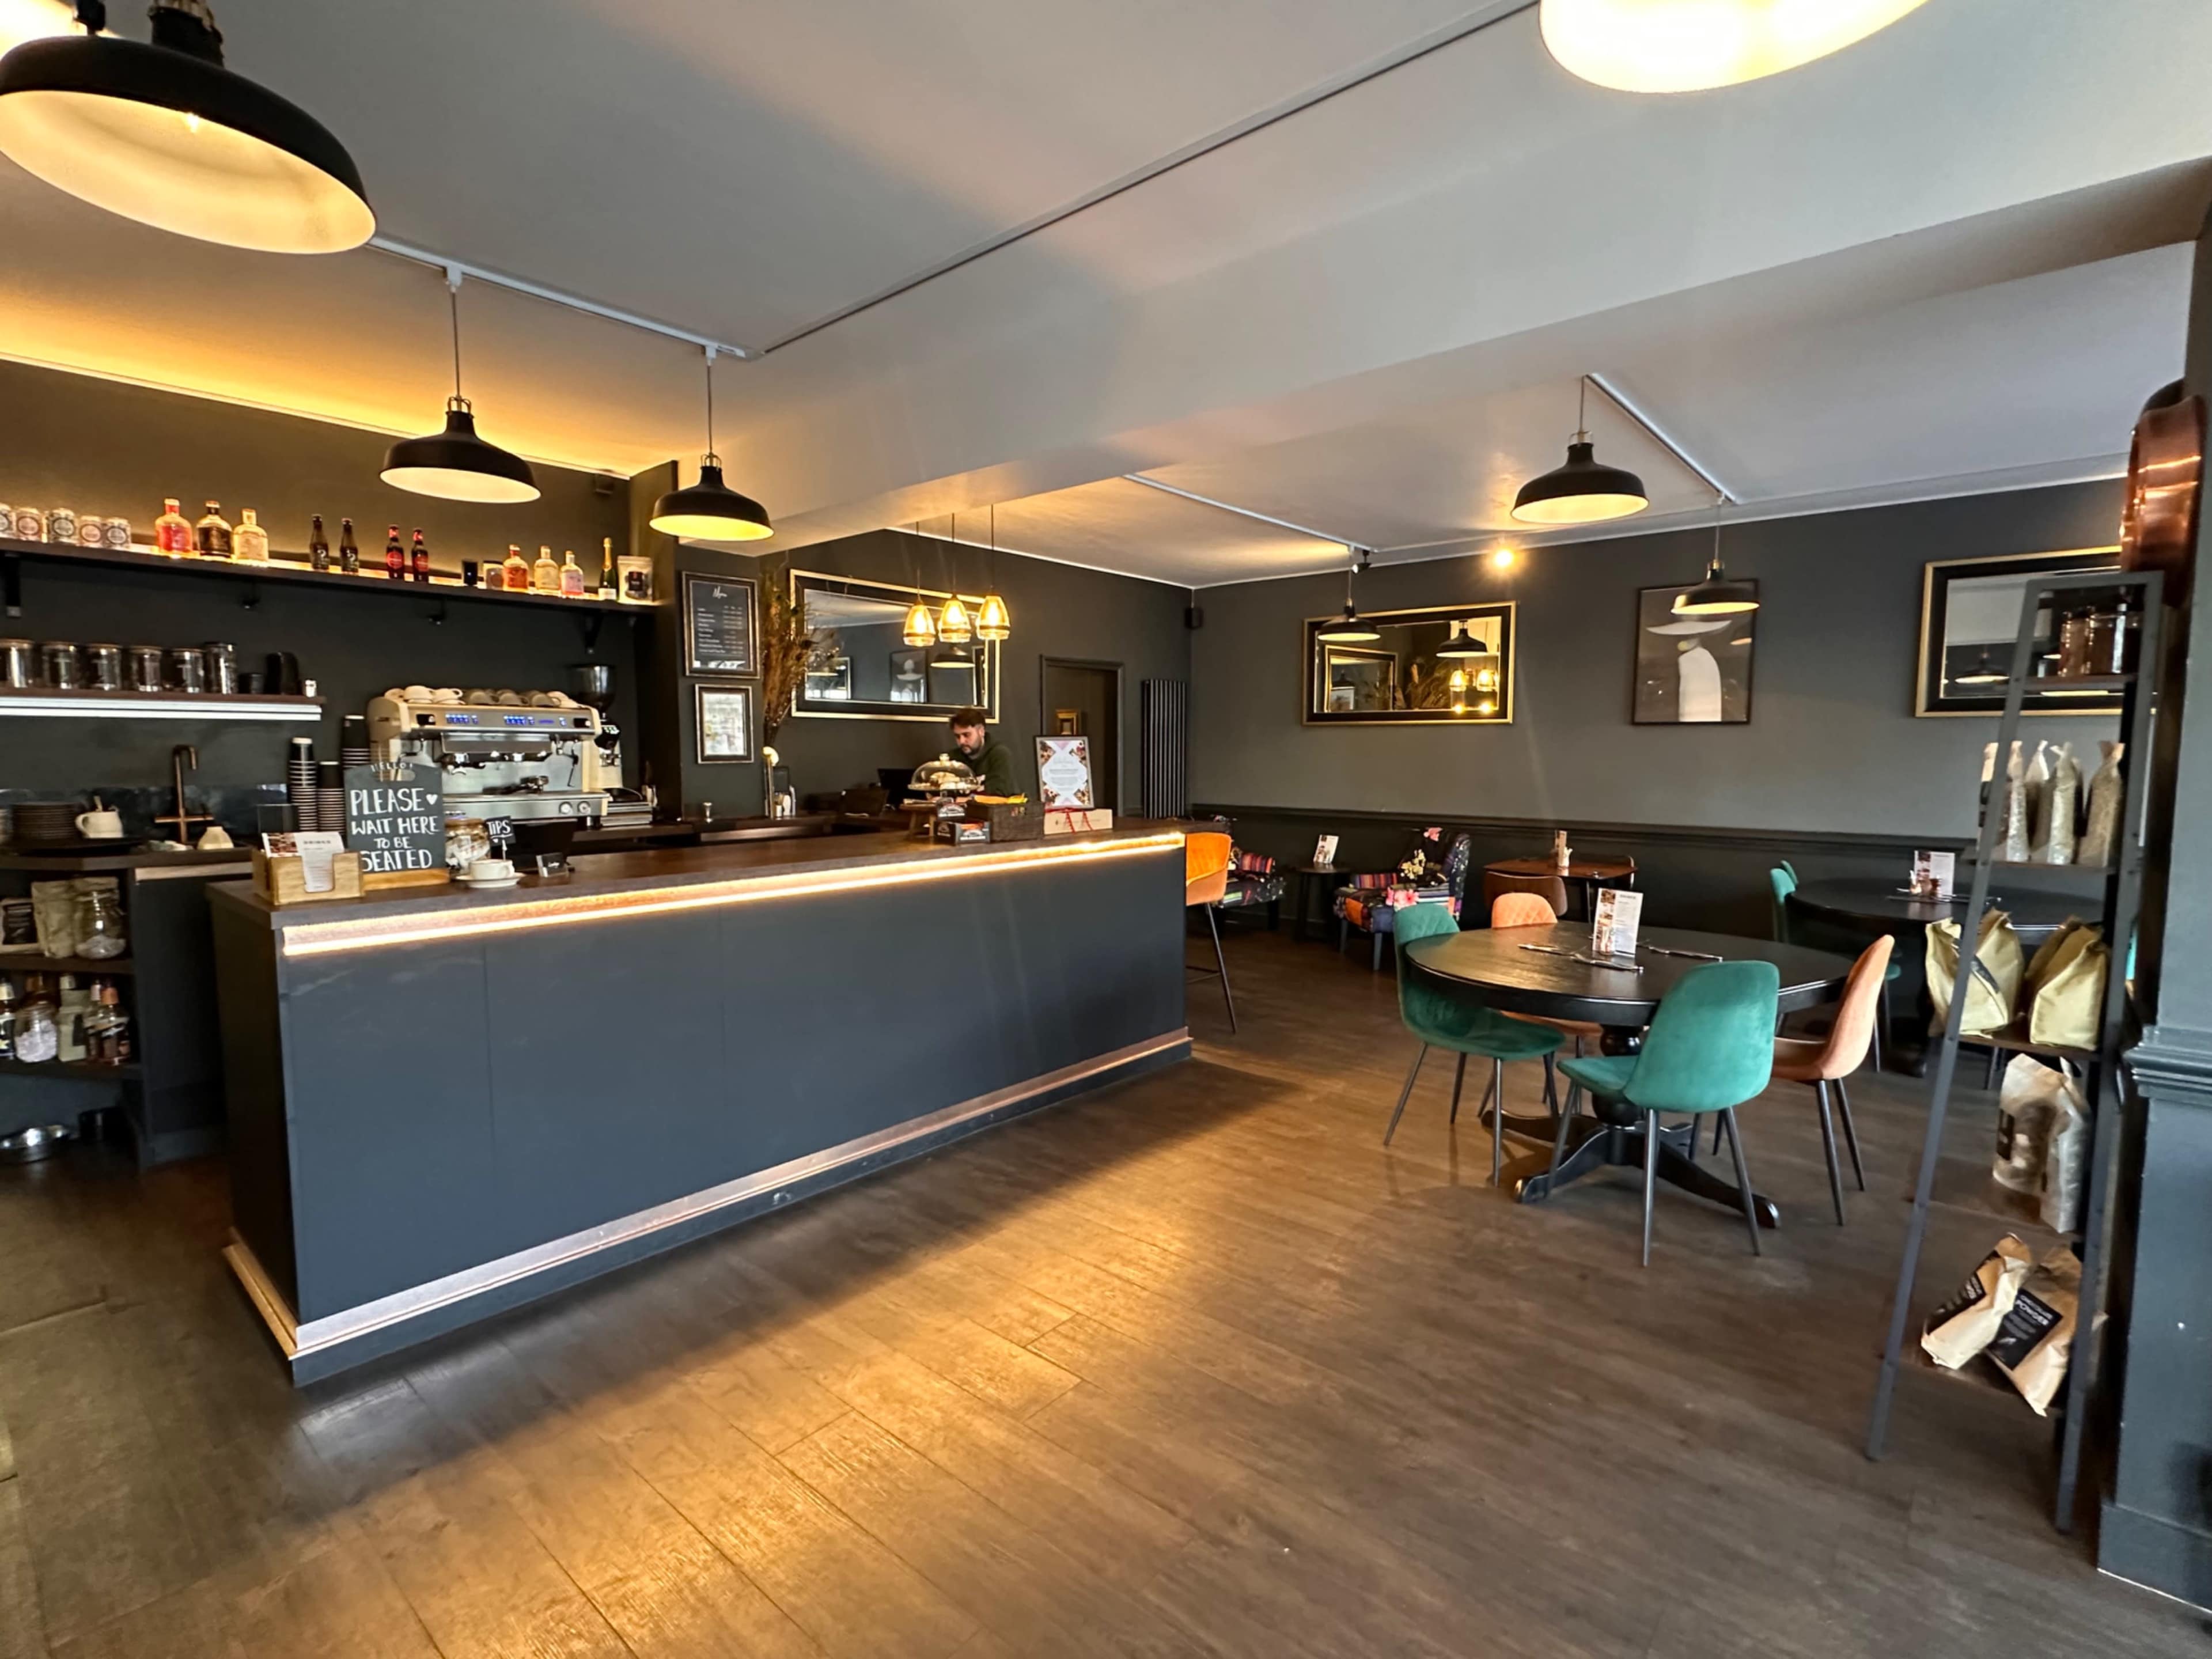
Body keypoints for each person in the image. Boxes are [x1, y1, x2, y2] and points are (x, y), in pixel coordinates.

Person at [949, 707, 1017, 795]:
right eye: (958, 736)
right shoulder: (953, 759)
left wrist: (960, 800)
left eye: (966, 735)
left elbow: (1000, 793)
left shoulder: (999, 754)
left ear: (981, 732)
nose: (962, 741)